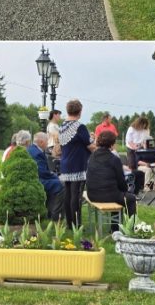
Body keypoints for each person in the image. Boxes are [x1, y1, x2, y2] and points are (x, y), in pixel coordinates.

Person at [85, 131, 136, 232]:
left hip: (92, 194)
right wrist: (126, 191)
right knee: (130, 199)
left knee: (117, 194)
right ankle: (131, 229)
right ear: (112, 145)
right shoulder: (114, 159)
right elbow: (121, 181)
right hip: (108, 195)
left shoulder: (92, 157)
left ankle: (115, 228)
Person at [58, 99, 95, 227]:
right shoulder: (80, 127)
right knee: (76, 195)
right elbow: (91, 146)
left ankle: (69, 223)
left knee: (68, 194)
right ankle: (76, 223)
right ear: (79, 111)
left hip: (65, 164)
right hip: (77, 165)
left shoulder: (62, 127)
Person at [27, 132, 63, 220]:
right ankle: (55, 215)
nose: (48, 144)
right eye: (47, 141)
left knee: (58, 183)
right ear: (41, 142)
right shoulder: (37, 153)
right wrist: (55, 176)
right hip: (38, 180)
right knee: (61, 185)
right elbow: (42, 172)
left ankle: (50, 212)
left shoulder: (32, 149)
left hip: (35, 179)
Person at [124, 116, 155, 190]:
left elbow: (146, 139)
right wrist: (134, 147)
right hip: (131, 148)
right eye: (142, 125)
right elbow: (129, 141)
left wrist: (143, 145)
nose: (143, 127)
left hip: (141, 148)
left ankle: (141, 184)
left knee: (142, 165)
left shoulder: (146, 130)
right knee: (132, 165)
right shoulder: (131, 129)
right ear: (138, 124)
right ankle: (130, 184)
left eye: (145, 126)